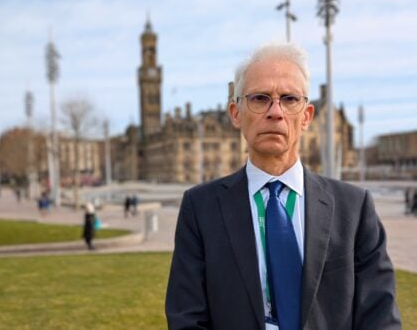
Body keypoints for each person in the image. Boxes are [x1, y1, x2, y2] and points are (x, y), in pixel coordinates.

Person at [165, 42, 401, 330]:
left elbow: (380, 316)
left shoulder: (354, 208)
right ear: (236, 113)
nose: (275, 111)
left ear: (306, 116)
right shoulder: (200, 208)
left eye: (289, 99)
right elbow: (186, 318)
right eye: (260, 98)